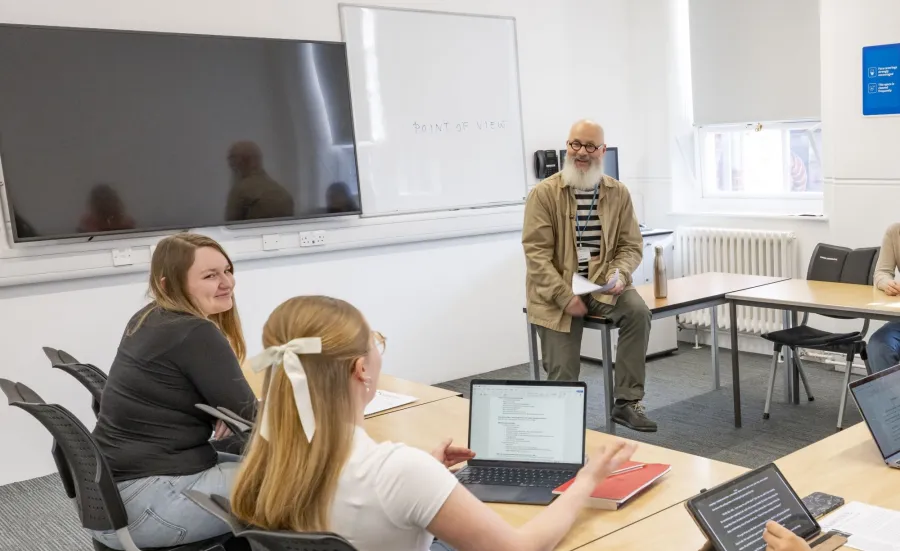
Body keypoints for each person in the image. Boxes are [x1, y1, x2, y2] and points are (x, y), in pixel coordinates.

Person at [231, 296, 637, 551]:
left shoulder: (267, 457)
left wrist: (424, 471)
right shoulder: (399, 472)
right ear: (361, 370)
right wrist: (586, 479)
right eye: (376, 341)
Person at [91, 233, 258, 550]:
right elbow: (249, 417)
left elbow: (238, 416)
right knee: (297, 483)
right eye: (210, 276)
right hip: (152, 505)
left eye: (227, 270)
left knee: (254, 459)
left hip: (113, 503)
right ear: (169, 285)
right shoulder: (195, 331)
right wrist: (235, 415)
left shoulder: (148, 318)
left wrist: (232, 415)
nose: (227, 283)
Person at [522, 119, 655, 432]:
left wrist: (620, 273)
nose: (581, 152)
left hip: (600, 286)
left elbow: (630, 245)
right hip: (556, 292)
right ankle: (561, 431)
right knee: (563, 372)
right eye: (575, 144)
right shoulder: (543, 194)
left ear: (602, 151)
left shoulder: (617, 193)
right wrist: (564, 296)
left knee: (638, 312)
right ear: (568, 146)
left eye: (590, 146)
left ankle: (627, 401)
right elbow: (537, 256)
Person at [225, 141, 295, 221]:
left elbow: (231, 227)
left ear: (240, 161)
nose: (230, 164)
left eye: (232, 158)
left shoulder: (240, 192)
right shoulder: (284, 194)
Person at [868, 223, 900, 372]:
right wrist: (887, 283)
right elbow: (881, 272)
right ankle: (891, 396)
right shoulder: (895, 232)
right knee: (879, 346)